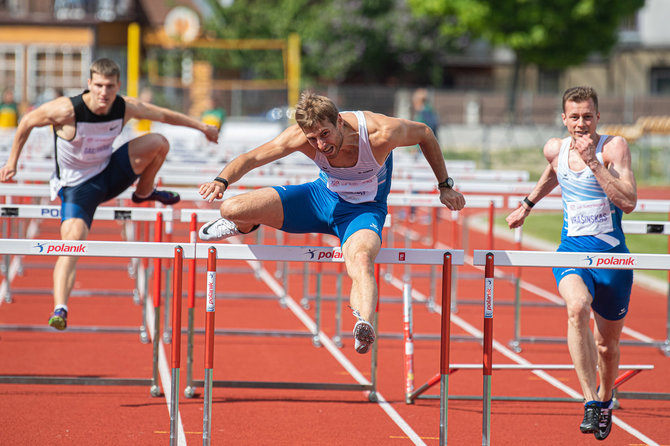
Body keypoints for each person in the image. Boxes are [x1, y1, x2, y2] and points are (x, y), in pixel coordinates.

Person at [198, 91, 465, 354]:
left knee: (361, 259)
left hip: (363, 211)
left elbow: (425, 134)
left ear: (338, 121)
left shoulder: (380, 132)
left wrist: (444, 186)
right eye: (312, 139)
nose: (321, 145)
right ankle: (246, 225)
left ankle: (364, 324)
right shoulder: (300, 136)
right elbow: (253, 157)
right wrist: (221, 181)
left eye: (324, 135)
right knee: (231, 208)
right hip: (320, 199)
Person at [0, 58, 219, 330]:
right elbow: (27, 122)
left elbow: (164, 115)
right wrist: (12, 162)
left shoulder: (124, 106)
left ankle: (144, 191)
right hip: (78, 188)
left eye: (111, 87)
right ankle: (60, 307)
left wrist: (203, 127)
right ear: (89, 84)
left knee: (158, 142)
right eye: (99, 86)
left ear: (118, 86)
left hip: (109, 173)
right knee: (72, 243)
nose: (104, 93)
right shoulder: (67, 110)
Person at [505, 86, 637, 440]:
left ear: (598, 117)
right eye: (574, 117)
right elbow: (553, 171)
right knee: (577, 307)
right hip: (571, 250)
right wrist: (527, 204)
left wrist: (594, 162)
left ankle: (606, 399)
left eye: (588, 116)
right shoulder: (555, 148)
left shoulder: (614, 147)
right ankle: (590, 401)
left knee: (607, 348)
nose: (581, 123)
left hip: (612, 257)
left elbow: (629, 202)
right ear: (564, 119)